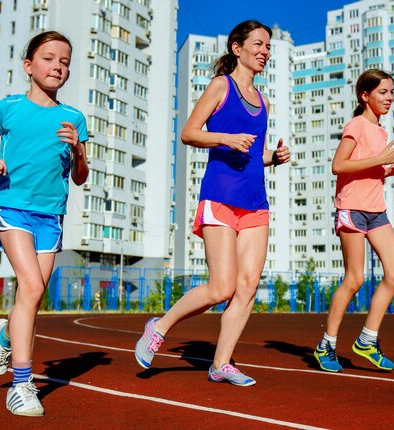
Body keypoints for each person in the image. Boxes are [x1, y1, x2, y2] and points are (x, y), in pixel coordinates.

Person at [134, 20, 290, 386]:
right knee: (222, 287)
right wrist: (227, 138)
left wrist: (273, 157)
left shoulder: (263, 101)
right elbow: (189, 132)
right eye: (258, 44)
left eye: (268, 46)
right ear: (237, 48)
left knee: (248, 286)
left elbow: (251, 155)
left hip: (255, 202)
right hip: (219, 195)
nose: (265, 51)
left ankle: (221, 364)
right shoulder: (222, 86)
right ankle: (160, 326)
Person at [0, 31, 88, 416]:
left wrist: (77, 150)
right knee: (32, 284)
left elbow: (81, 177)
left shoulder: (74, 118)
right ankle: (22, 385)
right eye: (49, 58)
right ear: (29, 66)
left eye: (65, 61)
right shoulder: (8, 108)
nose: (58, 66)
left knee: (32, 298)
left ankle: (6, 333)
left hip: (51, 214)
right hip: (12, 205)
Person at [314, 69, 394, 373]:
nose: (389, 98)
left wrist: (389, 170)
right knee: (354, 279)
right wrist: (381, 160)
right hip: (352, 209)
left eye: (391, 92)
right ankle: (326, 344)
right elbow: (339, 165)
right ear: (365, 96)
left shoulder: (381, 132)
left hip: (376, 210)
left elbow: (367, 169)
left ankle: (367, 340)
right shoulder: (356, 125)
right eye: (383, 92)